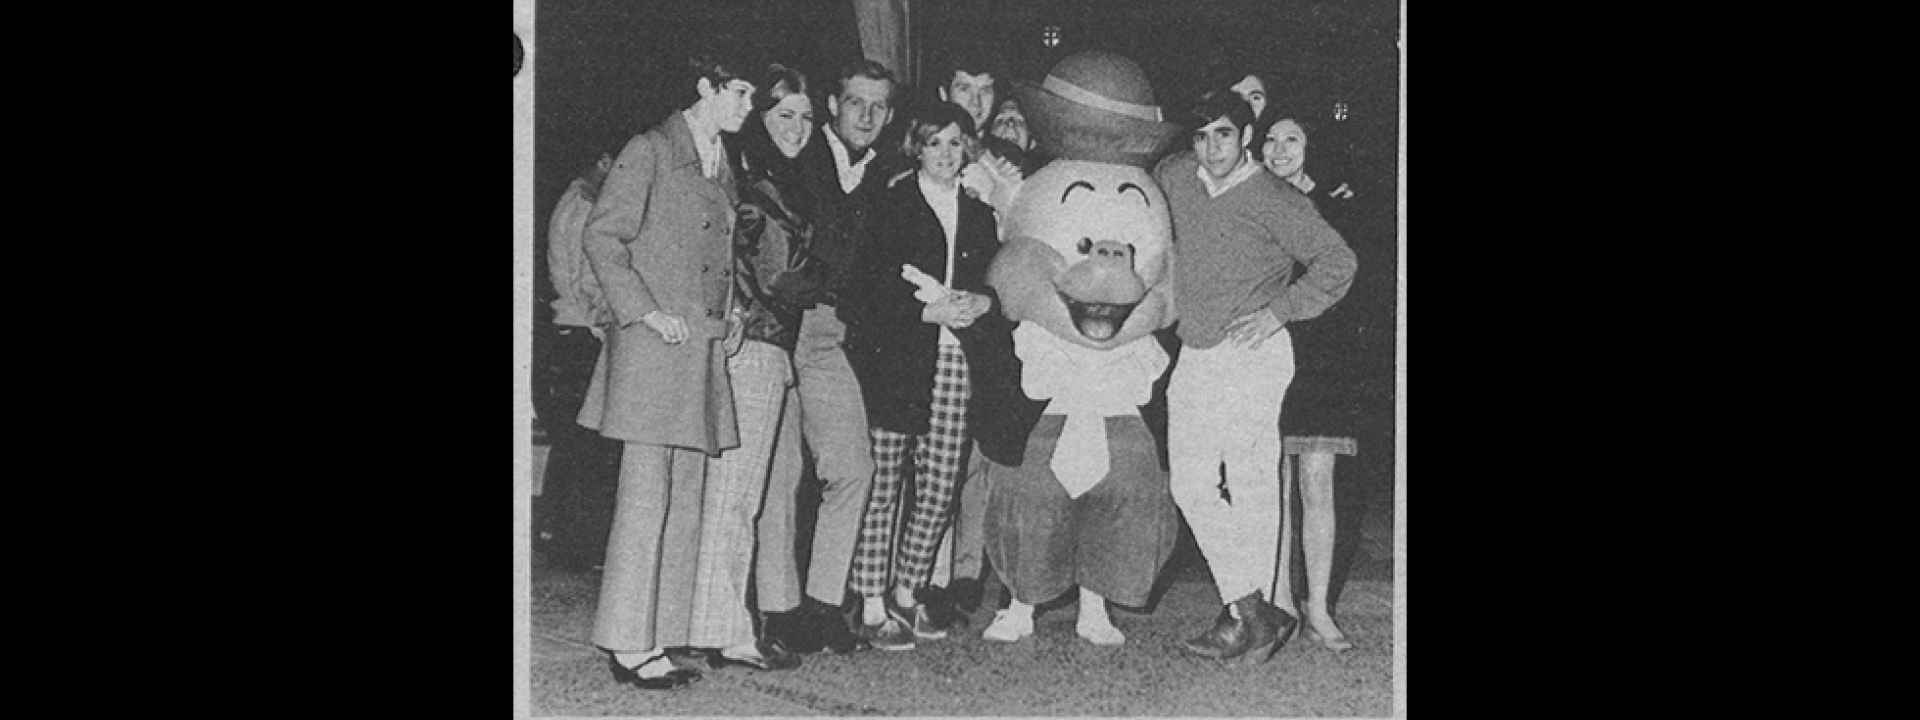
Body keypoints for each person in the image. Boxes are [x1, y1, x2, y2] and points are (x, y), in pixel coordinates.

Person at [1152, 89, 1355, 665]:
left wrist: (1277, 312)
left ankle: (1247, 616)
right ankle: (1255, 609)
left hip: (1254, 355)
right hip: (1196, 352)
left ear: (1246, 138)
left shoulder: (1275, 197)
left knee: (1250, 487)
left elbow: (1338, 262)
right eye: (1202, 135)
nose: (1212, 147)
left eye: (1224, 134)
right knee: (1188, 484)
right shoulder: (1177, 177)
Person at [577, 52, 755, 691]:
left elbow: (715, 257)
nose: (747, 106)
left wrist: (730, 315)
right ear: (705, 87)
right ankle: (627, 643)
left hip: (699, 351)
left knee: (682, 503)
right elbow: (602, 237)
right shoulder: (650, 149)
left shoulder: (719, 160)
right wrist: (644, 311)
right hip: (654, 353)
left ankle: (656, 635)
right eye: (738, 92)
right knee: (645, 502)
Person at [752, 58, 905, 655]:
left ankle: (821, 604)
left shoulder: (887, 173)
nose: (865, 115)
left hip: (829, 335)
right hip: (780, 328)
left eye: (878, 106)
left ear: (889, 115)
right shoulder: (796, 154)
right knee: (782, 474)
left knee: (852, 467)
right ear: (833, 107)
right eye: (854, 102)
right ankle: (778, 609)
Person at [840, 102, 1002, 651]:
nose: (945, 154)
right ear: (917, 147)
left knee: (940, 486)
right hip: (896, 361)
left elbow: (997, 287)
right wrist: (922, 313)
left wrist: (982, 301)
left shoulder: (979, 215)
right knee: (885, 483)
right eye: (934, 143)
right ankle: (870, 601)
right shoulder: (889, 205)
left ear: (967, 149)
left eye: (955, 143)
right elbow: (861, 293)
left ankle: (908, 590)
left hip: (956, 358)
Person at [1252, 105, 1361, 651]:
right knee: (1271, 486)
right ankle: (1277, 601)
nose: (1279, 149)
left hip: (1318, 362)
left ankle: (1318, 606)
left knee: (1317, 483)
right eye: (1270, 139)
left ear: (1309, 146)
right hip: (1261, 355)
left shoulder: (1334, 207)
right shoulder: (1251, 205)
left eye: (1291, 138)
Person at [535, 151, 623, 570]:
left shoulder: (574, 198)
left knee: (574, 443)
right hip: (581, 335)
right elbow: (581, 279)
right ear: (604, 162)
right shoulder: (586, 206)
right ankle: (578, 545)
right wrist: (603, 325)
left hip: (569, 332)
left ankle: (559, 534)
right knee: (587, 445)